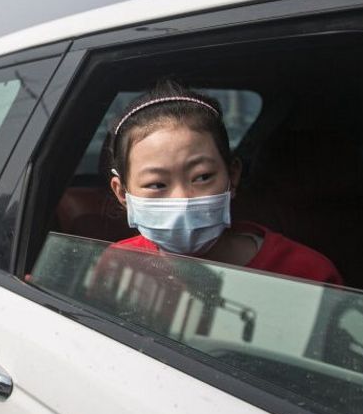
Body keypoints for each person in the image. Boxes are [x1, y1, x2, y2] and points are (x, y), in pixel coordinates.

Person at [104, 80, 343, 285]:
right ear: (122, 193)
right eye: (157, 185)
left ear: (232, 176)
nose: (183, 200)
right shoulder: (118, 264)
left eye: (202, 177)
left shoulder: (305, 273)